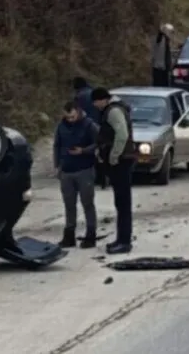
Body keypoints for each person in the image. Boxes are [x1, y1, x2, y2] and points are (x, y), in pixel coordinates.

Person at [91, 87, 136, 254]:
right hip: (122, 160)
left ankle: (124, 241)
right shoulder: (115, 108)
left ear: (102, 99)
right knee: (121, 202)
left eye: (96, 102)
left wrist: (114, 156)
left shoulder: (114, 111)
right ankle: (121, 238)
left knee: (123, 203)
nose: (95, 106)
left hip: (122, 161)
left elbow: (122, 134)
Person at [53, 101, 99, 249]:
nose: (70, 120)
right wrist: (57, 165)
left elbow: (99, 143)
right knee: (69, 205)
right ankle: (69, 235)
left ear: (78, 112)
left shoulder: (89, 125)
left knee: (87, 203)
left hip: (84, 169)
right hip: (66, 170)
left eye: (72, 117)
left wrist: (84, 151)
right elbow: (57, 145)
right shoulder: (61, 126)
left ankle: (91, 235)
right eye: (67, 117)